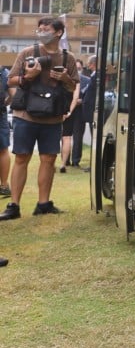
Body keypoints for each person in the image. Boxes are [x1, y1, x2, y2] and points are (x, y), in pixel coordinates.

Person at [0, 17, 79, 220]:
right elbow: (11, 80)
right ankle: (14, 205)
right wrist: (29, 75)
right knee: (21, 158)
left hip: (53, 118)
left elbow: (73, 86)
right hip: (25, 115)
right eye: (39, 29)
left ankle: (43, 204)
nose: (41, 32)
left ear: (58, 32)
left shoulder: (67, 57)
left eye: (46, 29)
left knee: (49, 159)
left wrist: (65, 79)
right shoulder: (28, 53)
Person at [70, 56, 96, 170]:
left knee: (78, 136)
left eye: (79, 68)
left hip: (80, 111)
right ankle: (65, 159)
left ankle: (75, 160)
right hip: (68, 110)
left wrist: (80, 101)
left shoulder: (88, 79)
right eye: (76, 68)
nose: (78, 70)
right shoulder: (66, 79)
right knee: (65, 136)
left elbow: (89, 95)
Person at [59, 76, 82, 173]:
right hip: (68, 112)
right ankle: (63, 164)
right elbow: (75, 98)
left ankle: (49, 163)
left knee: (51, 136)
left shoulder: (57, 79)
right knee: (67, 137)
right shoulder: (76, 81)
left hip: (56, 110)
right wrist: (69, 112)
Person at [0, 65, 10, 198]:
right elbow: (13, 94)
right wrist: (4, 104)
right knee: (3, 150)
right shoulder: (4, 72)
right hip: (0, 113)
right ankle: (4, 185)